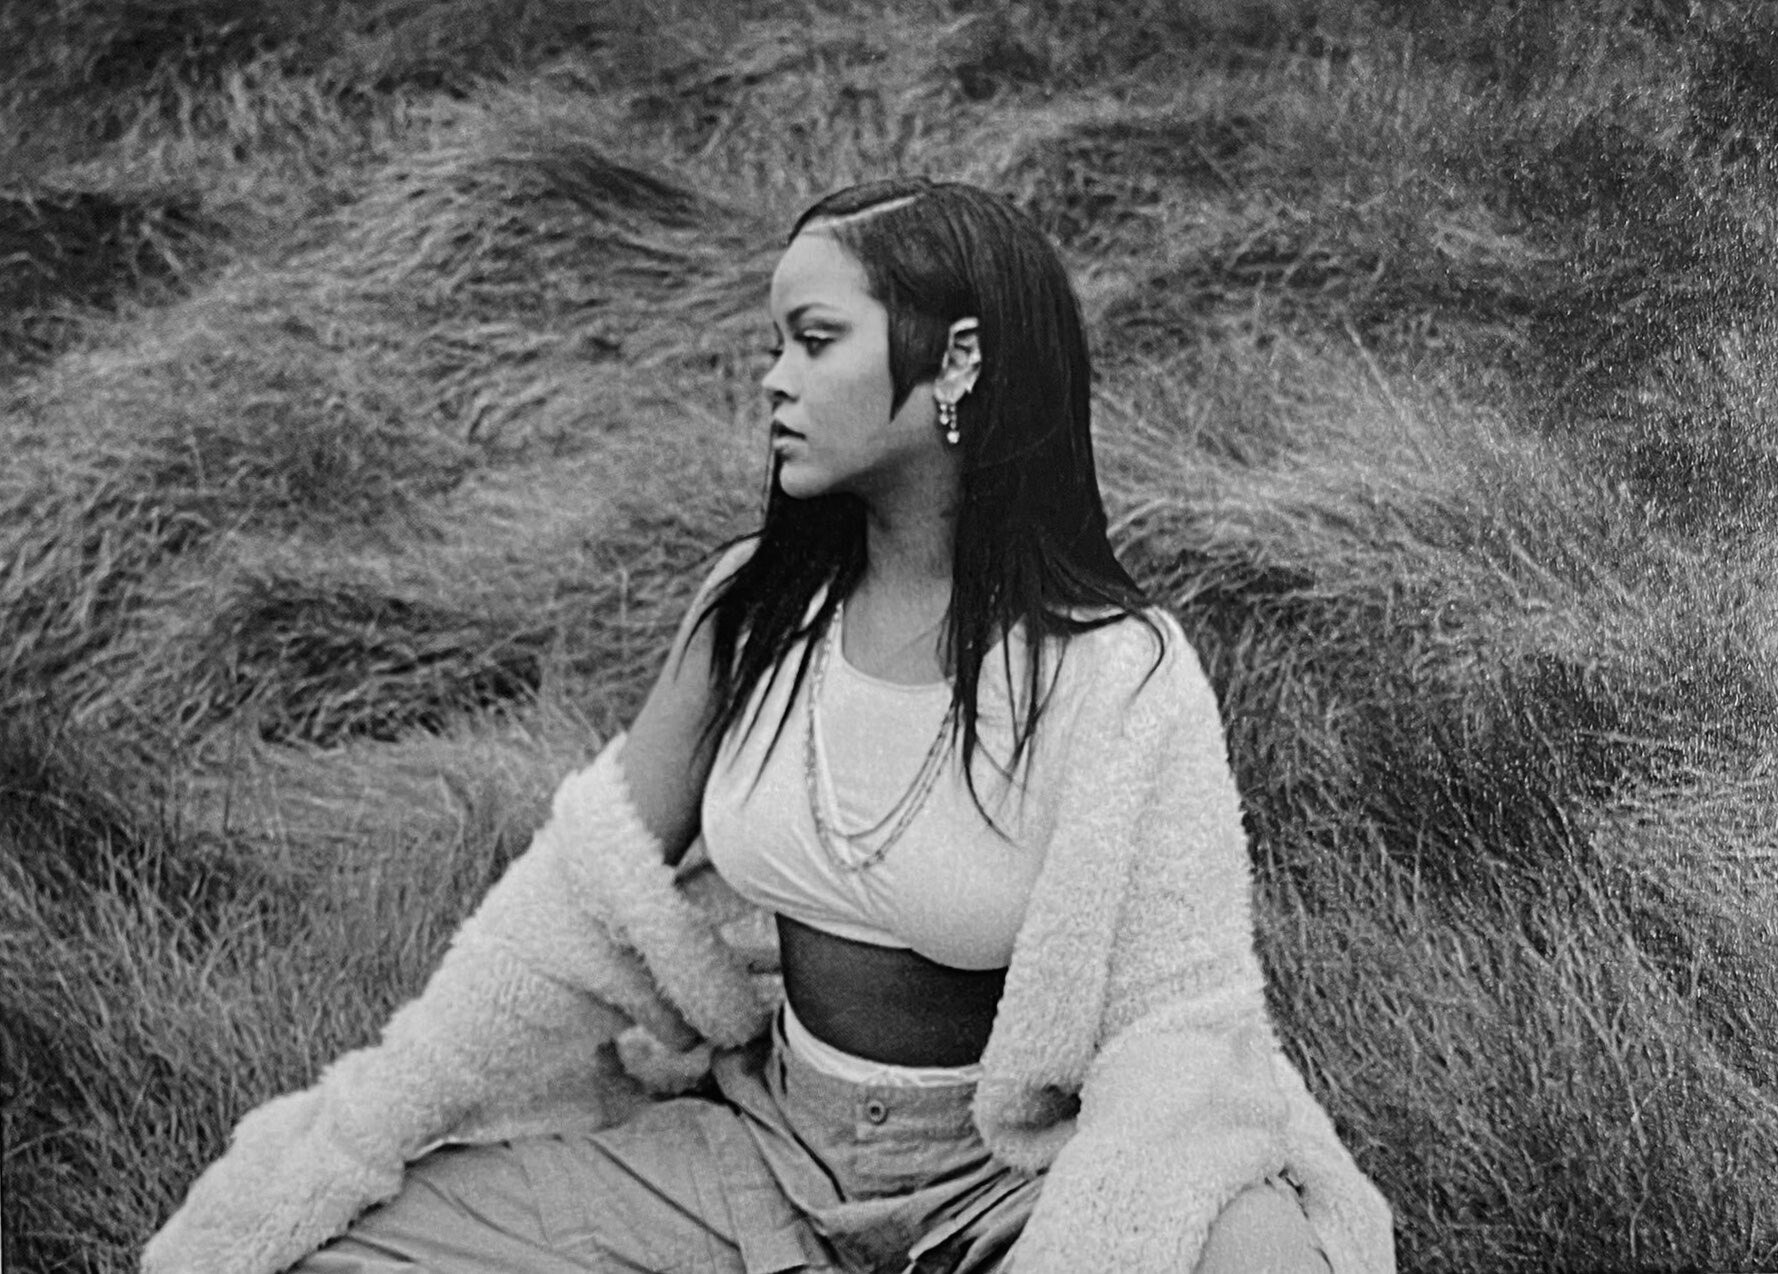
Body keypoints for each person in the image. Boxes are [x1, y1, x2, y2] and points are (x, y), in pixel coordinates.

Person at [143, 179, 1394, 1274]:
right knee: (345, 1244)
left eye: (813, 339)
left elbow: (1178, 1035)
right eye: (773, 342)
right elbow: (575, 899)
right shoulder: (751, 608)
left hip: (1013, 1169)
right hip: (768, 1145)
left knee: (1257, 1252)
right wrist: (349, 1137)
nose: (773, 378)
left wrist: (1083, 1241)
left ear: (956, 359)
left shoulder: (1118, 673)